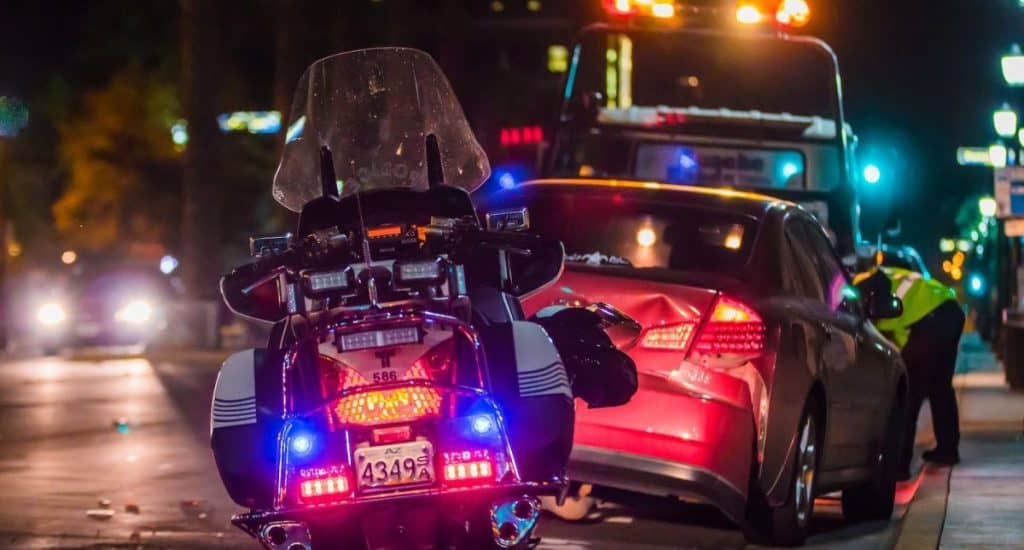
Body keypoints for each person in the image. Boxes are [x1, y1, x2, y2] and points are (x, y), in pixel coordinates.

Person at [854, 266, 965, 479]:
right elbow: (900, 334)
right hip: (949, 312)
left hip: (930, 318)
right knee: (940, 387)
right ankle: (947, 450)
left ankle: (899, 465)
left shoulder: (862, 285)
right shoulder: (883, 274)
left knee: (909, 394)